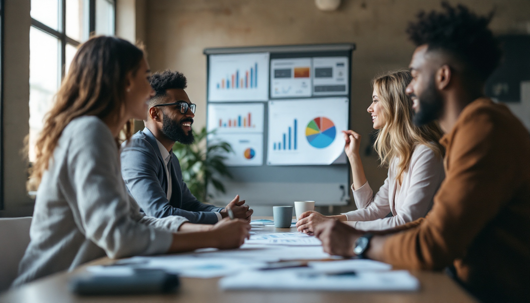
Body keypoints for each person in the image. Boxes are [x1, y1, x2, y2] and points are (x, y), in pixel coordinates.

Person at [315, 3, 530, 302]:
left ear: (443, 77)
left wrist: (357, 244)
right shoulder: (467, 132)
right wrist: (348, 229)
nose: (408, 89)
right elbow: (431, 223)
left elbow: (434, 244)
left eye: (415, 75)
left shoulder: (484, 129)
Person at [14, 36, 250, 286]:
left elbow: (137, 220)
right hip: (48, 289)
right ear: (127, 80)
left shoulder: (102, 136)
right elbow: (120, 237)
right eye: (145, 76)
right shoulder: (89, 132)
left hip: (80, 282)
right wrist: (212, 238)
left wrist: (212, 230)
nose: (150, 90)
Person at [297, 70, 445, 232]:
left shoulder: (426, 153)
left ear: (395, 104)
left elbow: (406, 221)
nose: (369, 108)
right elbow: (371, 210)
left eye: (375, 100)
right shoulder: (401, 155)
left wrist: (332, 224)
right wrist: (353, 157)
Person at [120, 70, 253, 224]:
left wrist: (227, 211)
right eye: (181, 107)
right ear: (155, 113)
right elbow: (160, 213)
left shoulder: (171, 158)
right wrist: (223, 217)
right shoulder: (136, 151)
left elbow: (191, 205)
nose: (191, 114)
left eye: (190, 107)